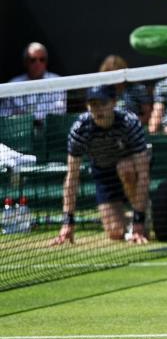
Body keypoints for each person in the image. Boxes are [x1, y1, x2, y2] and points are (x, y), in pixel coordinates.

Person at [51, 85, 150, 245]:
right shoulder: (80, 130)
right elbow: (72, 176)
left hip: (131, 170)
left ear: (113, 103)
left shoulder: (129, 123)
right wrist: (67, 222)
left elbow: (143, 173)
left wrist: (139, 222)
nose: (97, 109)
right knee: (115, 232)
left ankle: (141, 216)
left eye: (102, 103)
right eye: (93, 104)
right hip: (103, 174)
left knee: (125, 168)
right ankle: (135, 220)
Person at [1, 42, 66, 119]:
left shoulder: (59, 83)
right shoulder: (12, 85)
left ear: (46, 62)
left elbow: (63, 111)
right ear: (25, 62)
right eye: (33, 60)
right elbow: (3, 114)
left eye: (42, 59)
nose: (37, 63)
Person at [98, 54, 153, 125]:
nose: (113, 77)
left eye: (116, 73)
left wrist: (134, 124)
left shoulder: (138, 89)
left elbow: (147, 114)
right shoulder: (102, 91)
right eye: (110, 73)